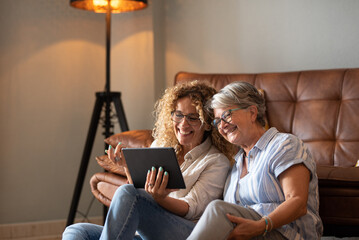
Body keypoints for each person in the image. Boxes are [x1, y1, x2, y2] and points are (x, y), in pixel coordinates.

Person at [63, 80, 235, 240]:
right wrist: (127, 167)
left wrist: (160, 198)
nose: (183, 124)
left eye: (192, 117)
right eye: (178, 115)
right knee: (76, 231)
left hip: (186, 231)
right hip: (148, 230)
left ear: (206, 123)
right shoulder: (161, 145)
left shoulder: (216, 161)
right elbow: (139, 192)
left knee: (127, 192)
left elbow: (191, 209)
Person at [187, 81, 323, 240]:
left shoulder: (283, 145)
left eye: (227, 115)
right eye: (217, 121)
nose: (222, 126)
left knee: (218, 209)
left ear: (252, 112)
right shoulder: (235, 166)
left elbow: (298, 203)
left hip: (287, 234)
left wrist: (261, 226)